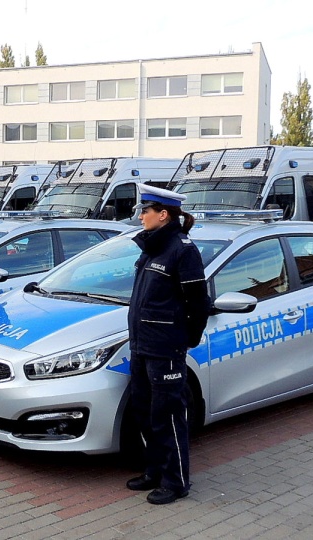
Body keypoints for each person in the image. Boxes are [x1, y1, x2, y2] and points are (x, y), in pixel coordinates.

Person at [125, 184, 210, 506]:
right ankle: (154, 471)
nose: (141, 216)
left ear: (163, 214)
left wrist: (186, 339)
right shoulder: (151, 248)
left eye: (145, 211)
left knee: (168, 416)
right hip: (142, 346)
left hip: (166, 350)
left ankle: (176, 482)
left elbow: (199, 303)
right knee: (144, 413)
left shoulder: (182, 250)